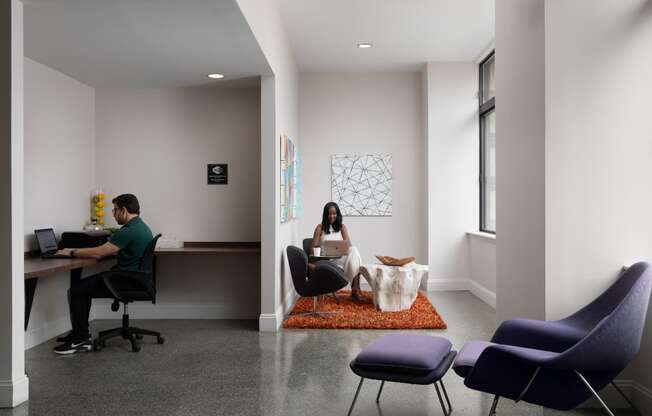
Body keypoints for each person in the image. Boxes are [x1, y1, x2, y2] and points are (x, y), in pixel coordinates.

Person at [52, 193, 153, 354]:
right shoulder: (142, 227)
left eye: (115, 210)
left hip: (125, 280)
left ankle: (81, 339)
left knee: (77, 290)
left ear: (124, 210)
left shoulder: (128, 231)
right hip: (136, 279)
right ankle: (79, 333)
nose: (113, 214)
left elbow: (99, 253)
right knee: (81, 287)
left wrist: (71, 252)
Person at [310, 202, 363, 300]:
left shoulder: (342, 227)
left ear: (338, 214)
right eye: (329, 214)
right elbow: (312, 250)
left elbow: (349, 246)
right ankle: (355, 288)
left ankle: (355, 288)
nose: (331, 216)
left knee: (354, 250)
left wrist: (342, 248)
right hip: (328, 261)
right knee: (355, 256)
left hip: (340, 259)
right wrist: (320, 250)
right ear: (325, 215)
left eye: (334, 213)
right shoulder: (319, 228)